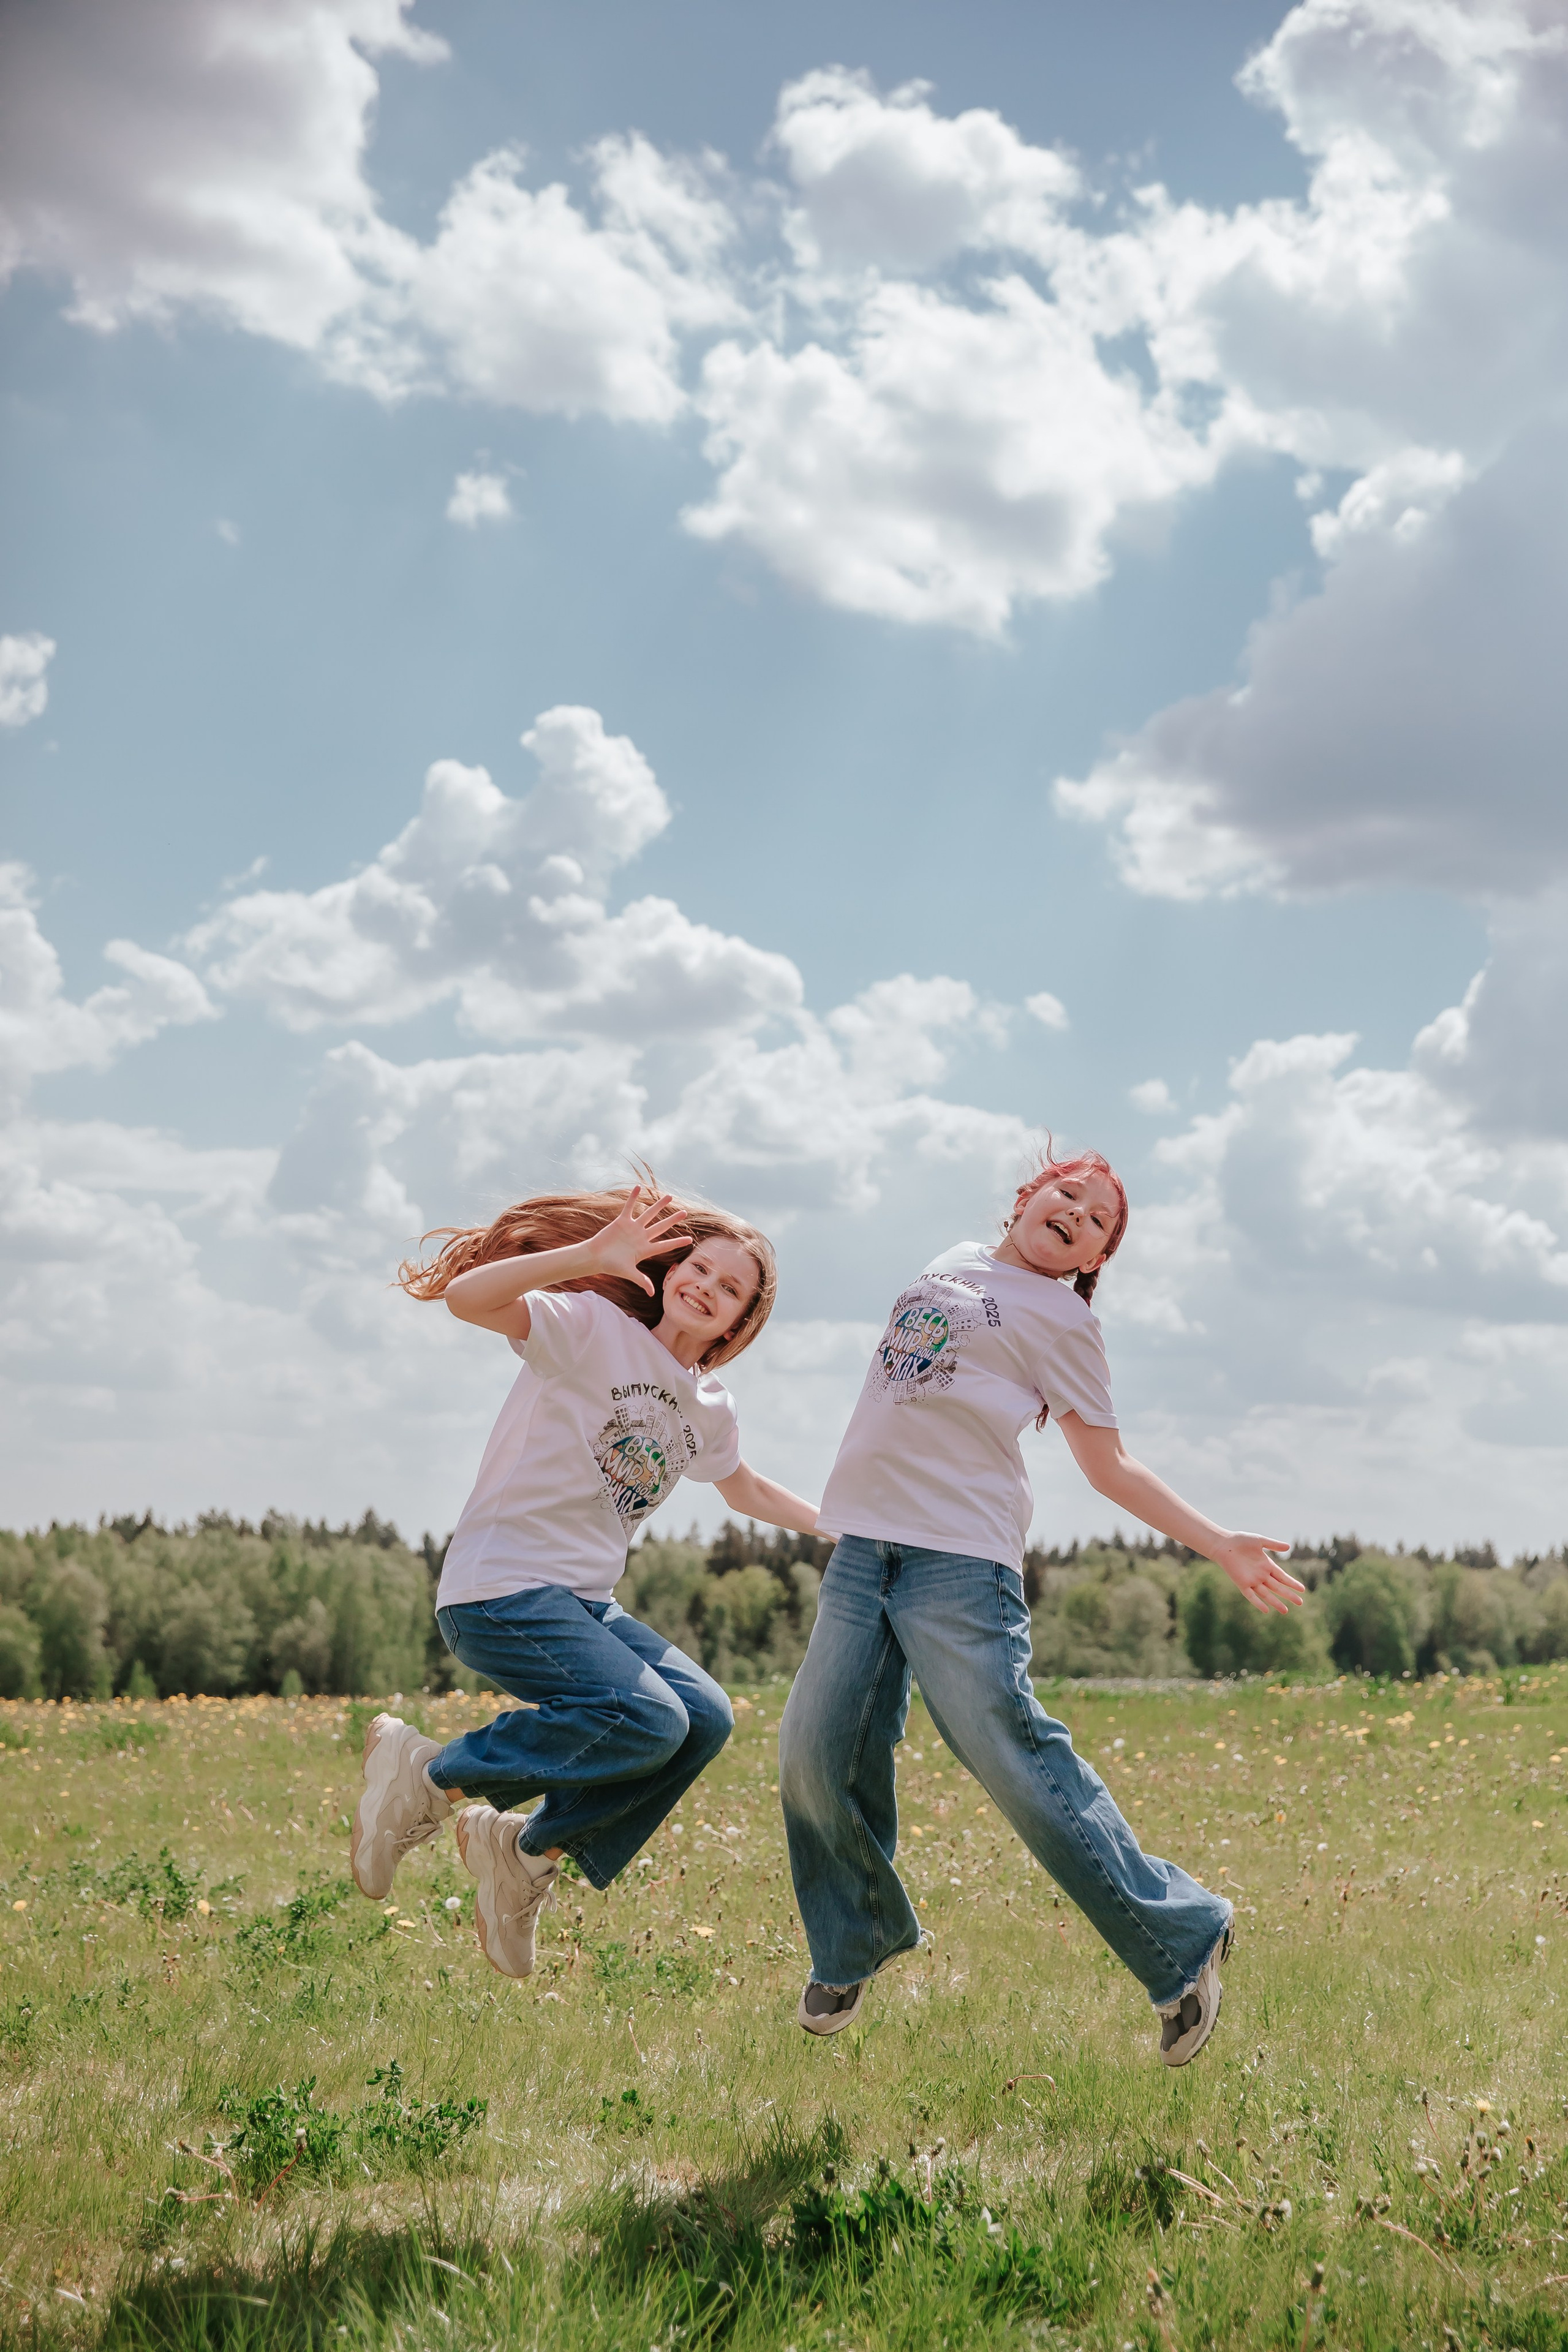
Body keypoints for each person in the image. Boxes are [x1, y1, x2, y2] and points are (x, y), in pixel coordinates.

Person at [778, 1146, 1303, 2064]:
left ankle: (1186, 1938)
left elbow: (1109, 1466)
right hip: (867, 1547)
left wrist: (1218, 1540)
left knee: (1014, 1762)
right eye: (1069, 1194)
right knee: (813, 1751)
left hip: (958, 1561)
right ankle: (854, 1937)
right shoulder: (947, 1260)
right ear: (1027, 1197)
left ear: (1092, 1261)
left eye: (1100, 1221)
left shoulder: (1063, 1321)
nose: (1079, 1214)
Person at [351, 1182, 820, 1980]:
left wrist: (844, 1524)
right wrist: (587, 1257)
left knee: (701, 1718)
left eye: (730, 1288)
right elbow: (469, 1299)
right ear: (672, 1270)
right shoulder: (593, 1328)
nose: (707, 1287)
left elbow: (742, 1488)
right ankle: (430, 1774)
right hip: (501, 1588)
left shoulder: (709, 1404)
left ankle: (526, 1851)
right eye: (700, 1269)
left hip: (584, 1604)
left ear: (742, 1321)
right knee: (647, 1718)